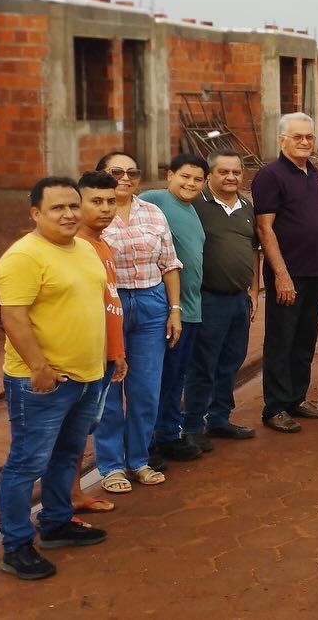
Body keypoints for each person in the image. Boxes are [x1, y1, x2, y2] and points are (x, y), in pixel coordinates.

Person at [0, 178, 109, 579]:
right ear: (35, 213)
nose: (69, 214)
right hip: (43, 383)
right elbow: (13, 316)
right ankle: (15, 546)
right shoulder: (23, 257)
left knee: (66, 455)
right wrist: (39, 367)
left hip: (87, 376)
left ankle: (57, 523)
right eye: (57, 208)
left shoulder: (83, 249)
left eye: (73, 207)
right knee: (26, 463)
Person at [95, 151, 182, 491]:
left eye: (132, 172)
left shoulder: (153, 212)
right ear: (102, 174)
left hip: (151, 302)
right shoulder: (94, 216)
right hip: (109, 305)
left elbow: (170, 263)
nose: (125, 178)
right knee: (109, 388)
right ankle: (111, 466)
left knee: (146, 389)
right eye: (116, 171)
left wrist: (174, 310)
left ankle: (139, 460)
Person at [253, 112, 318, 433]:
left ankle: (296, 398)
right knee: (281, 340)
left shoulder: (313, 174)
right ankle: (275, 407)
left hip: (315, 272)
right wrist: (281, 275)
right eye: (297, 137)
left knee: (304, 339)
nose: (304, 142)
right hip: (289, 274)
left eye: (309, 137)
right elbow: (265, 229)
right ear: (281, 139)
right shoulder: (270, 175)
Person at [184, 149, 260, 445]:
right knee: (203, 363)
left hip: (239, 299)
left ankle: (219, 418)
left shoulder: (246, 206)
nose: (231, 177)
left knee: (231, 360)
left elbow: (254, 249)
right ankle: (191, 426)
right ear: (210, 176)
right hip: (207, 298)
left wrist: (253, 289)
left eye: (236, 172)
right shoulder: (195, 206)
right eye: (223, 172)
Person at [139, 154, 208, 463]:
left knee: (176, 376)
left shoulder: (192, 211)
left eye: (197, 179)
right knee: (159, 378)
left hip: (191, 309)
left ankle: (168, 434)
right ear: (169, 175)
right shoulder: (153, 200)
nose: (190, 183)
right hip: (167, 309)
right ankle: (148, 443)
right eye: (185, 177)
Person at [70, 171, 128, 515]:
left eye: (111, 201)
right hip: (80, 360)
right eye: (96, 201)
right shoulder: (76, 246)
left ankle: (72, 494)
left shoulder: (104, 244)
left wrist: (117, 353)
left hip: (104, 357)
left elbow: (111, 303)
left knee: (82, 431)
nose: (106, 209)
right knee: (69, 434)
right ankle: (64, 500)